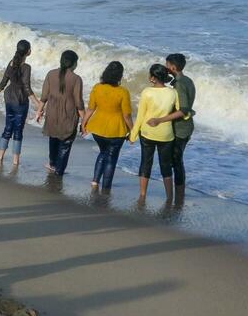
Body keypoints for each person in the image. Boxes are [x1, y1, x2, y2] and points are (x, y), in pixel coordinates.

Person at [148, 53, 197, 197]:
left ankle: (179, 196)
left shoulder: (180, 84)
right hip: (186, 127)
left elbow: (183, 110)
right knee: (177, 161)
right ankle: (178, 194)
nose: (166, 68)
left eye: (167, 65)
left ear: (173, 67)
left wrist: (160, 120)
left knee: (176, 162)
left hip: (180, 128)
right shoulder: (187, 80)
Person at [131, 63, 181, 202]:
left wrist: (133, 134)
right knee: (166, 166)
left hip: (147, 133)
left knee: (146, 163)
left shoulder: (147, 92)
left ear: (153, 78)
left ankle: (142, 194)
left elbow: (141, 115)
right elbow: (179, 111)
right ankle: (169, 196)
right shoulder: (172, 92)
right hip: (166, 135)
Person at [81, 61, 132, 192]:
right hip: (117, 131)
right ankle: (106, 186)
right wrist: (133, 130)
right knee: (111, 158)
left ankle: (95, 181)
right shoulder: (123, 92)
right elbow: (126, 116)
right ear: (120, 76)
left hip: (98, 128)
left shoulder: (97, 88)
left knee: (103, 153)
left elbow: (90, 109)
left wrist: (83, 123)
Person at [35, 49, 83, 175]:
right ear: (73, 64)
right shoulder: (76, 79)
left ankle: (52, 164)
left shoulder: (51, 74)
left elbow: (44, 96)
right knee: (65, 144)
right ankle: (59, 171)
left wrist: (39, 111)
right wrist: (85, 120)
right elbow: (79, 102)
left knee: (54, 138)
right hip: (68, 115)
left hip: (52, 114)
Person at [0, 39, 34, 168]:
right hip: (20, 100)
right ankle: (15, 161)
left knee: (8, 127)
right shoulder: (26, 67)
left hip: (9, 97)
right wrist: (38, 102)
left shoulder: (11, 63)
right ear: (28, 52)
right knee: (18, 130)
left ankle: (0, 157)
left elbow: (3, 82)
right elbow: (26, 87)